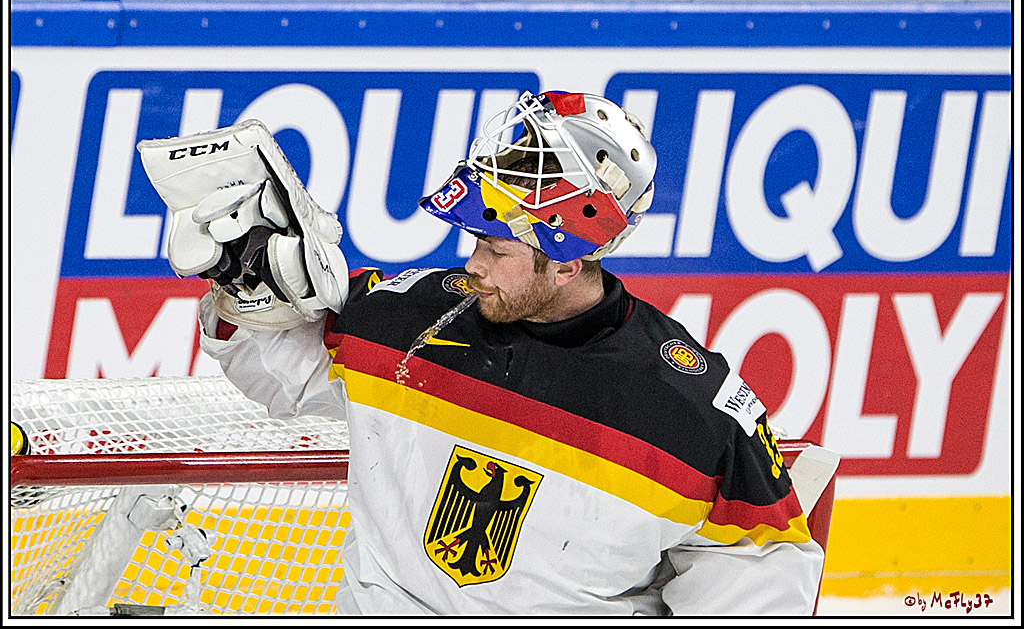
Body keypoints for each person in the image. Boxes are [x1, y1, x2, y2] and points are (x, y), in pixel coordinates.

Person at [139, 90, 824, 615]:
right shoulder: (414, 315)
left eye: (496, 248)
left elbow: (763, 572)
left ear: (567, 262)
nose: (473, 265)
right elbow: (281, 374)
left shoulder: (693, 409)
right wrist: (245, 287)